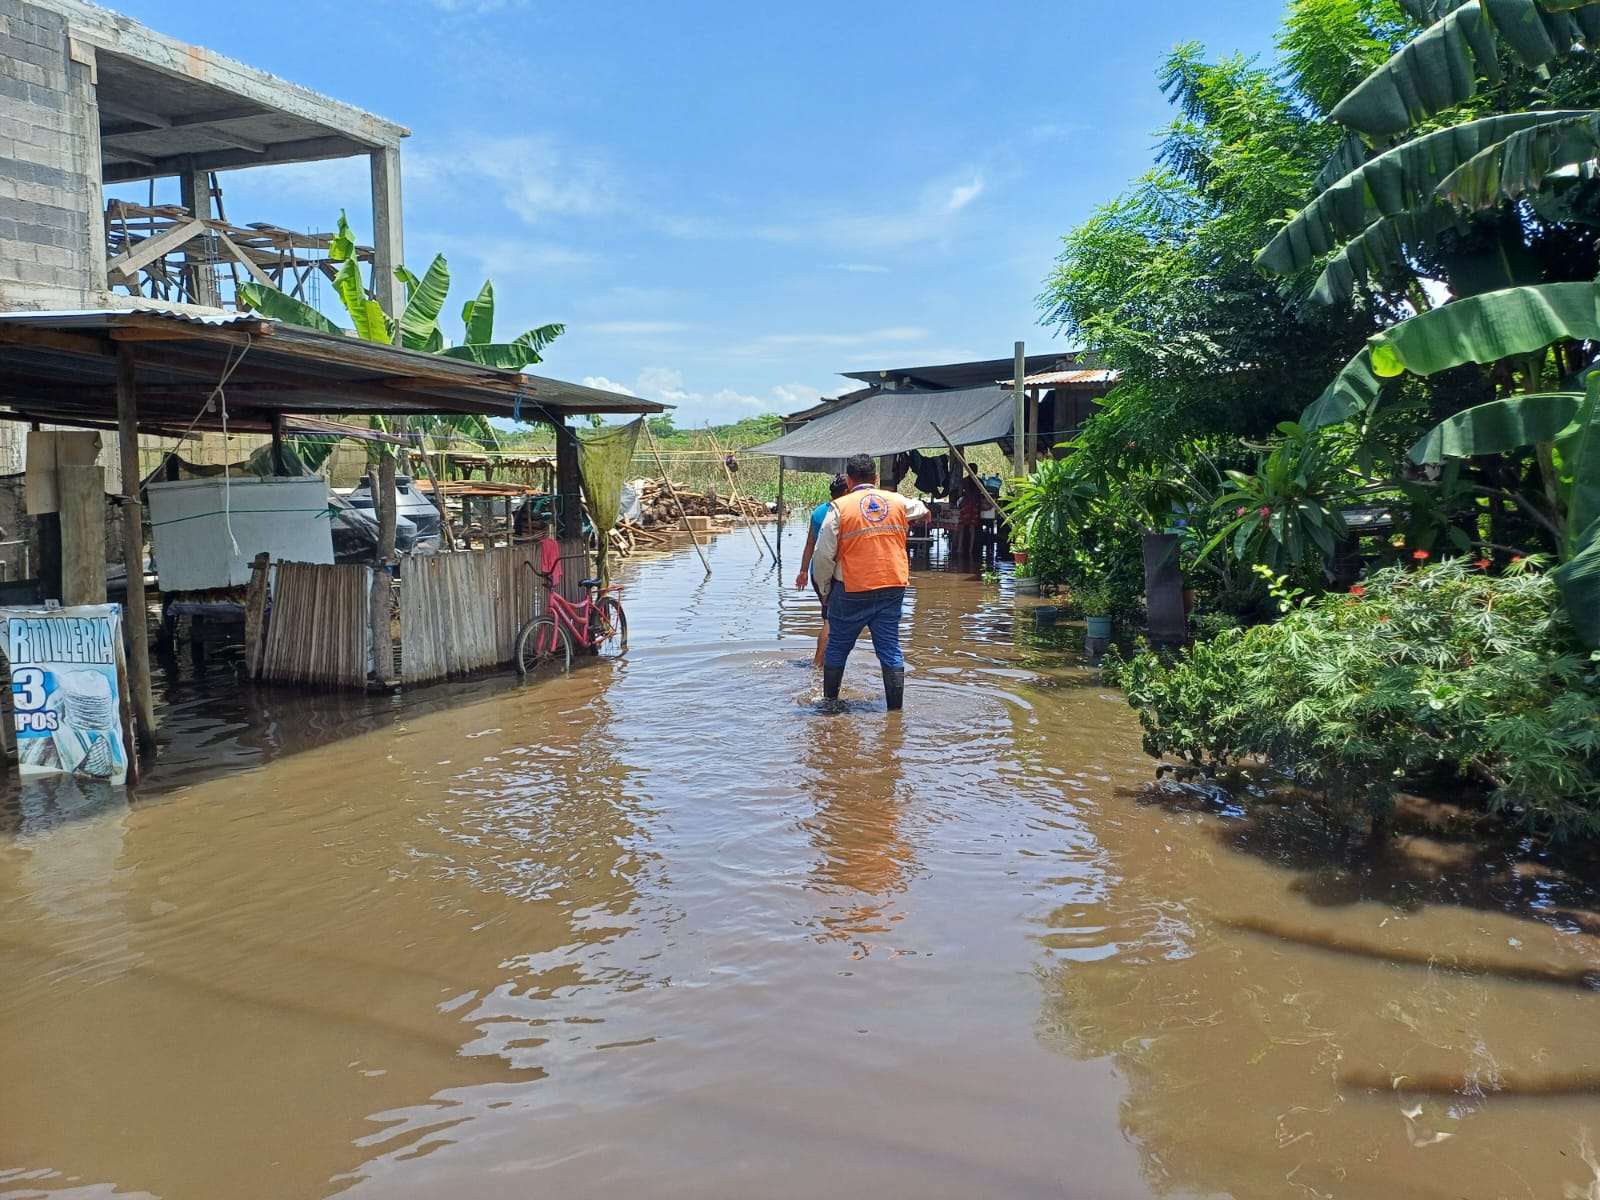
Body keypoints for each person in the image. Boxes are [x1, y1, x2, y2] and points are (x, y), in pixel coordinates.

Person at [810, 453, 929, 711]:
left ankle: (830, 704)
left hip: (852, 588)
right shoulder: (896, 501)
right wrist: (925, 510)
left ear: (849, 480)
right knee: (890, 649)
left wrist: (824, 591)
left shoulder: (839, 508)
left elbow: (822, 557)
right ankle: (895, 713)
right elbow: (918, 507)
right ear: (875, 478)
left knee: (838, 647)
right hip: (892, 585)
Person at [794, 473, 851, 667]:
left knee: (829, 617)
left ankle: (824, 662)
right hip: (835, 572)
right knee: (831, 621)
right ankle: (818, 665)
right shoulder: (844, 512)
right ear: (845, 492)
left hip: (816, 572)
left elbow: (810, 544)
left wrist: (803, 571)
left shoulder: (818, 511)